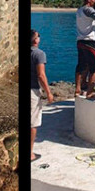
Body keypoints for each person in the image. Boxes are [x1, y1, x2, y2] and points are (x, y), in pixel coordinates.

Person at [30, 30, 54, 162]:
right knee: (32, 123)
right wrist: (48, 92)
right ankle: (30, 154)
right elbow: (41, 75)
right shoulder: (39, 54)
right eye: (38, 36)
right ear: (35, 40)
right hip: (33, 91)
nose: (39, 38)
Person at [75, 0, 95, 98]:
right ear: (89, 0)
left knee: (80, 66)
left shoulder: (79, 10)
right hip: (90, 42)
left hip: (80, 41)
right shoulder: (89, 9)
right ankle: (90, 92)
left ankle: (77, 90)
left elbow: (87, 23)